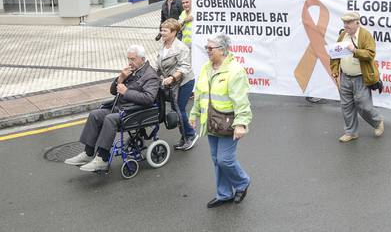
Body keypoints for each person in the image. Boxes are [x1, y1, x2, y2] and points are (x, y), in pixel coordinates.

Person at [65, 45, 159, 171]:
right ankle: (88, 153)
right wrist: (121, 78)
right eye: (128, 59)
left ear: (142, 59)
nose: (130, 62)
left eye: (133, 59)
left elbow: (149, 99)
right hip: (120, 107)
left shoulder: (150, 75)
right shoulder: (130, 71)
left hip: (134, 111)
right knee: (95, 115)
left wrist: (126, 92)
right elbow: (113, 91)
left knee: (110, 119)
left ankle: (102, 159)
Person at [189, 34, 252, 207]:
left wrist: (241, 123)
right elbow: (200, 94)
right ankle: (224, 194)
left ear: (222, 50)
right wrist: (194, 114)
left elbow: (241, 101)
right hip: (210, 121)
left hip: (227, 123)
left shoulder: (235, 70)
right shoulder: (206, 68)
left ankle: (242, 182)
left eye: (211, 48)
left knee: (225, 160)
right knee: (217, 160)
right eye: (206, 48)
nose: (207, 51)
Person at [330, 12, 384, 142]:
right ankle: (351, 132)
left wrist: (354, 50)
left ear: (357, 22)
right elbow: (335, 53)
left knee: (364, 105)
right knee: (346, 105)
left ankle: (377, 122)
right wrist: (335, 69)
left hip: (361, 77)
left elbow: (370, 54)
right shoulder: (343, 35)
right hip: (345, 77)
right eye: (344, 22)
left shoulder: (365, 35)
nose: (346, 25)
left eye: (348, 22)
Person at [156, 19, 198, 151]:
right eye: (161, 30)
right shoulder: (163, 45)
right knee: (176, 108)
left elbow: (185, 67)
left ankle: (190, 135)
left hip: (184, 82)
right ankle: (184, 136)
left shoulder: (181, 47)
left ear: (173, 32)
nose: (162, 33)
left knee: (179, 108)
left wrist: (172, 77)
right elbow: (160, 64)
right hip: (171, 83)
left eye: (165, 31)